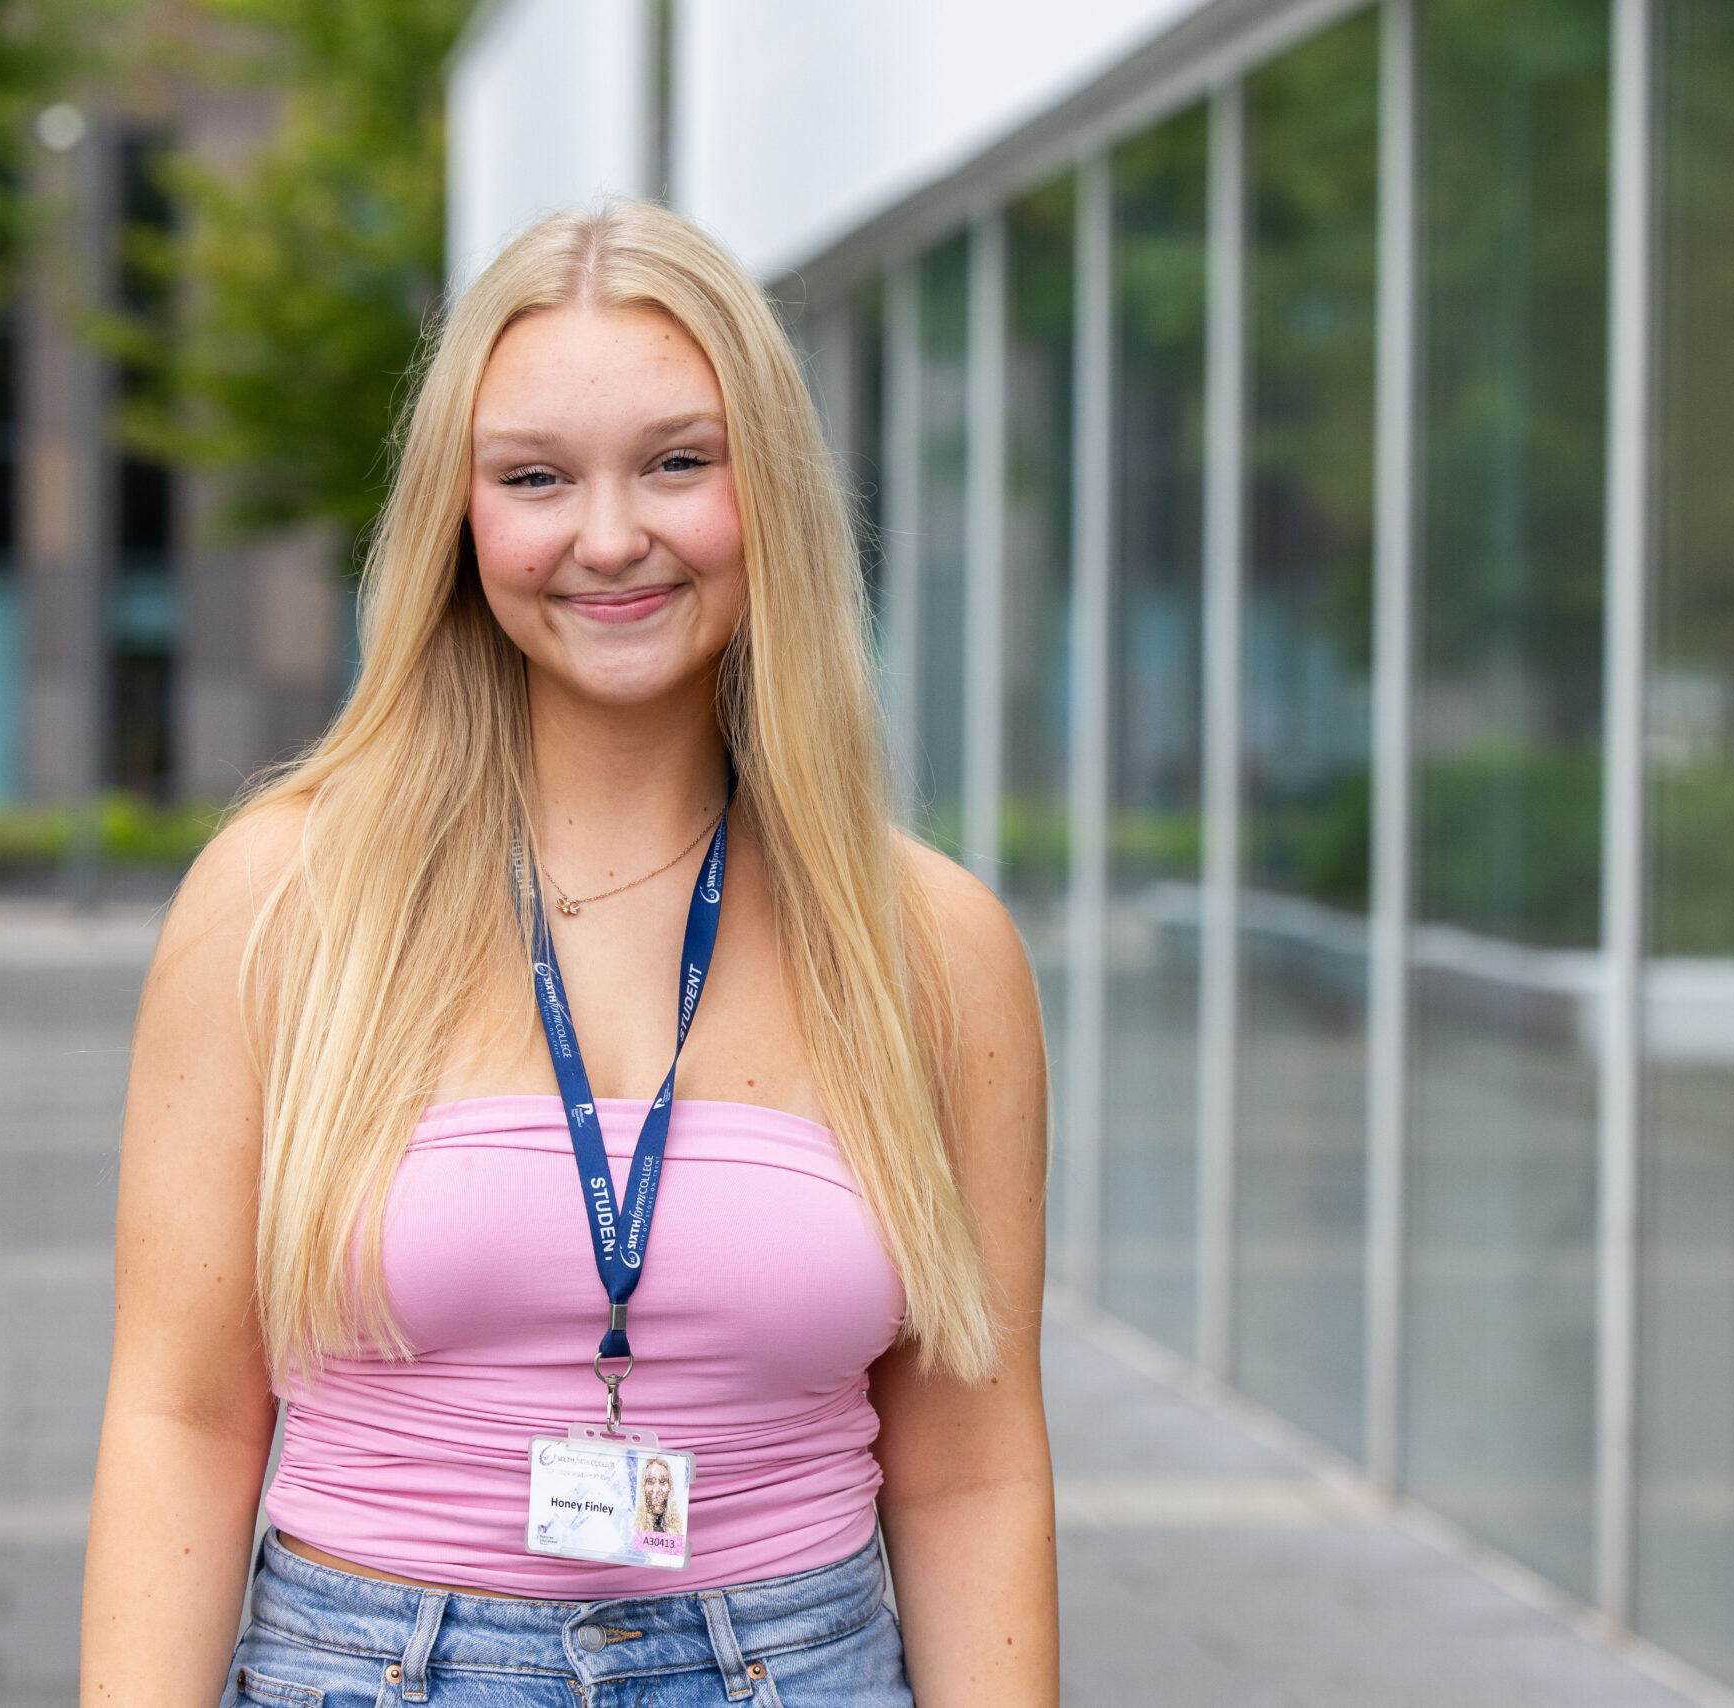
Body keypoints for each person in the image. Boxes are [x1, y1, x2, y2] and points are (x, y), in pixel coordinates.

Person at [80, 200, 1057, 1707]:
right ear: (461, 521)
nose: (610, 538)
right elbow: (182, 1419)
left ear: (771, 492)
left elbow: (973, 1474)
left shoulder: (930, 943)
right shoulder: (281, 900)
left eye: (678, 461)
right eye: (536, 477)